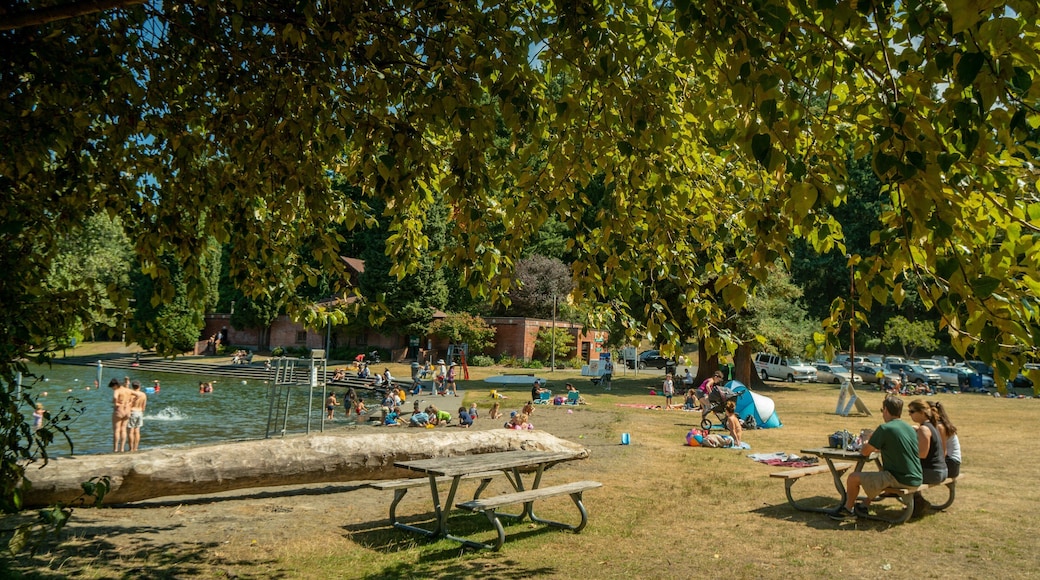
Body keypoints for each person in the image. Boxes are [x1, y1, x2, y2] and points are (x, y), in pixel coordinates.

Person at [831, 395, 922, 520]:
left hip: (899, 478)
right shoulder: (908, 428)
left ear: (885, 410)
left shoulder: (885, 428)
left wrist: (868, 440)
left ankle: (847, 509)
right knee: (880, 474)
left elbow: (865, 452)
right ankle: (864, 505)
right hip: (916, 476)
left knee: (853, 478)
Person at [907, 399, 948, 517]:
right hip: (941, 470)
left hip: (933, 472)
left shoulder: (924, 429)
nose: (909, 414)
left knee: (902, 474)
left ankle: (918, 503)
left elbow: (922, 454)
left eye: (912, 411)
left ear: (922, 412)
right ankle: (918, 502)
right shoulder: (932, 425)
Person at [929, 400, 961, 478]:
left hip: (951, 464)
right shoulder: (941, 425)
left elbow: (943, 452)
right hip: (952, 463)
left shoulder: (940, 427)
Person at [109, 378, 132, 453]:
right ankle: (122, 448)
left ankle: (115, 449)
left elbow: (115, 397)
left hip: (119, 410)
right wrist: (129, 403)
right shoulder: (127, 390)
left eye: (112, 387)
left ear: (115, 385)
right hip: (127, 410)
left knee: (117, 430)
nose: (112, 389)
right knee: (124, 429)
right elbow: (137, 395)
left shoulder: (117, 390)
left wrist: (116, 404)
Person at [128, 380, 147, 452]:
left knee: (130, 431)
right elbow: (144, 407)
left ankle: (131, 448)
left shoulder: (131, 394)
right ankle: (136, 448)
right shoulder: (143, 395)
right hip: (140, 412)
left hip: (132, 412)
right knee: (137, 431)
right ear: (139, 386)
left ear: (132, 386)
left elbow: (129, 404)